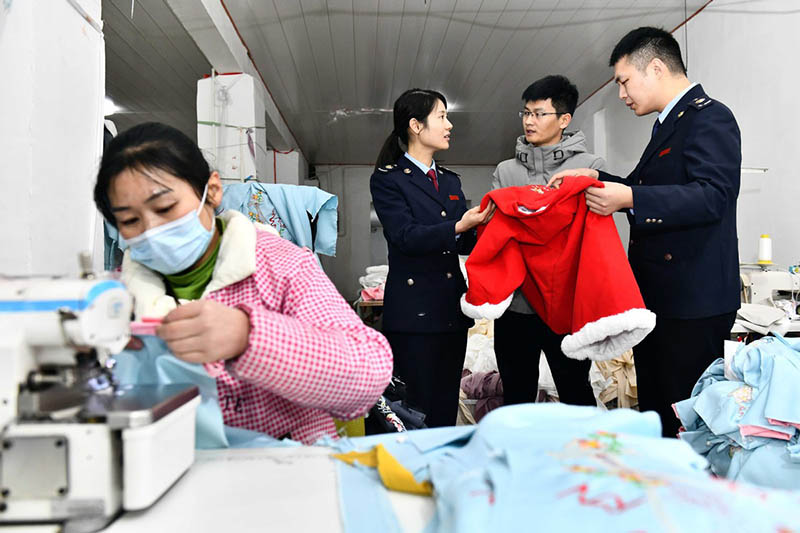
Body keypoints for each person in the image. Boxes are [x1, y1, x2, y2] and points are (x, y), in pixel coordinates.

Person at [94, 122, 393, 444]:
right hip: (170, 472)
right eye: (130, 221)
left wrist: (248, 336)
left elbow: (368, 373)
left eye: (165, 208)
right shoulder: (115, 298)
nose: (151, 230)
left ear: (212, 191)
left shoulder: (281, 265)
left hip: (284, 470)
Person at [549, 27, 741, 437]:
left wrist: (629, 197)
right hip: (661, 300)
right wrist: (596, 177)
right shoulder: (667, 125)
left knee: (685, 423)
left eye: (624, 81)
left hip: (693, 303)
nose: (621, 94)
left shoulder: (710, 117)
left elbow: (713, 196)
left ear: (655, 68)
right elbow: (645, 188)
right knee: (656, 414)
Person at [370, 89, 494, 427]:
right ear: (415, 125)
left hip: (449, 312)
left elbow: (463, 242)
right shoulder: (389, 180)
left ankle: (442, 473)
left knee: (442, 410)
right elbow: (405, 236)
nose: (449, 124)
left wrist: (487, 223)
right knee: (413, 411)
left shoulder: (450, 180)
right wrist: (458, 224)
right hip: (413, 315)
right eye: (441, 116)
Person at [491, 75, 605, 407]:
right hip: (516, 307)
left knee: (575, 392)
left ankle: (582, 458)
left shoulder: (589, 168)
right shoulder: (505, 171)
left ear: (564, 119)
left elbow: (594, 239)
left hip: (566, 307)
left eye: (539, 113)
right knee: (515, 395)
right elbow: (499, 235)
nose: (529, 121)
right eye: (526, 113)